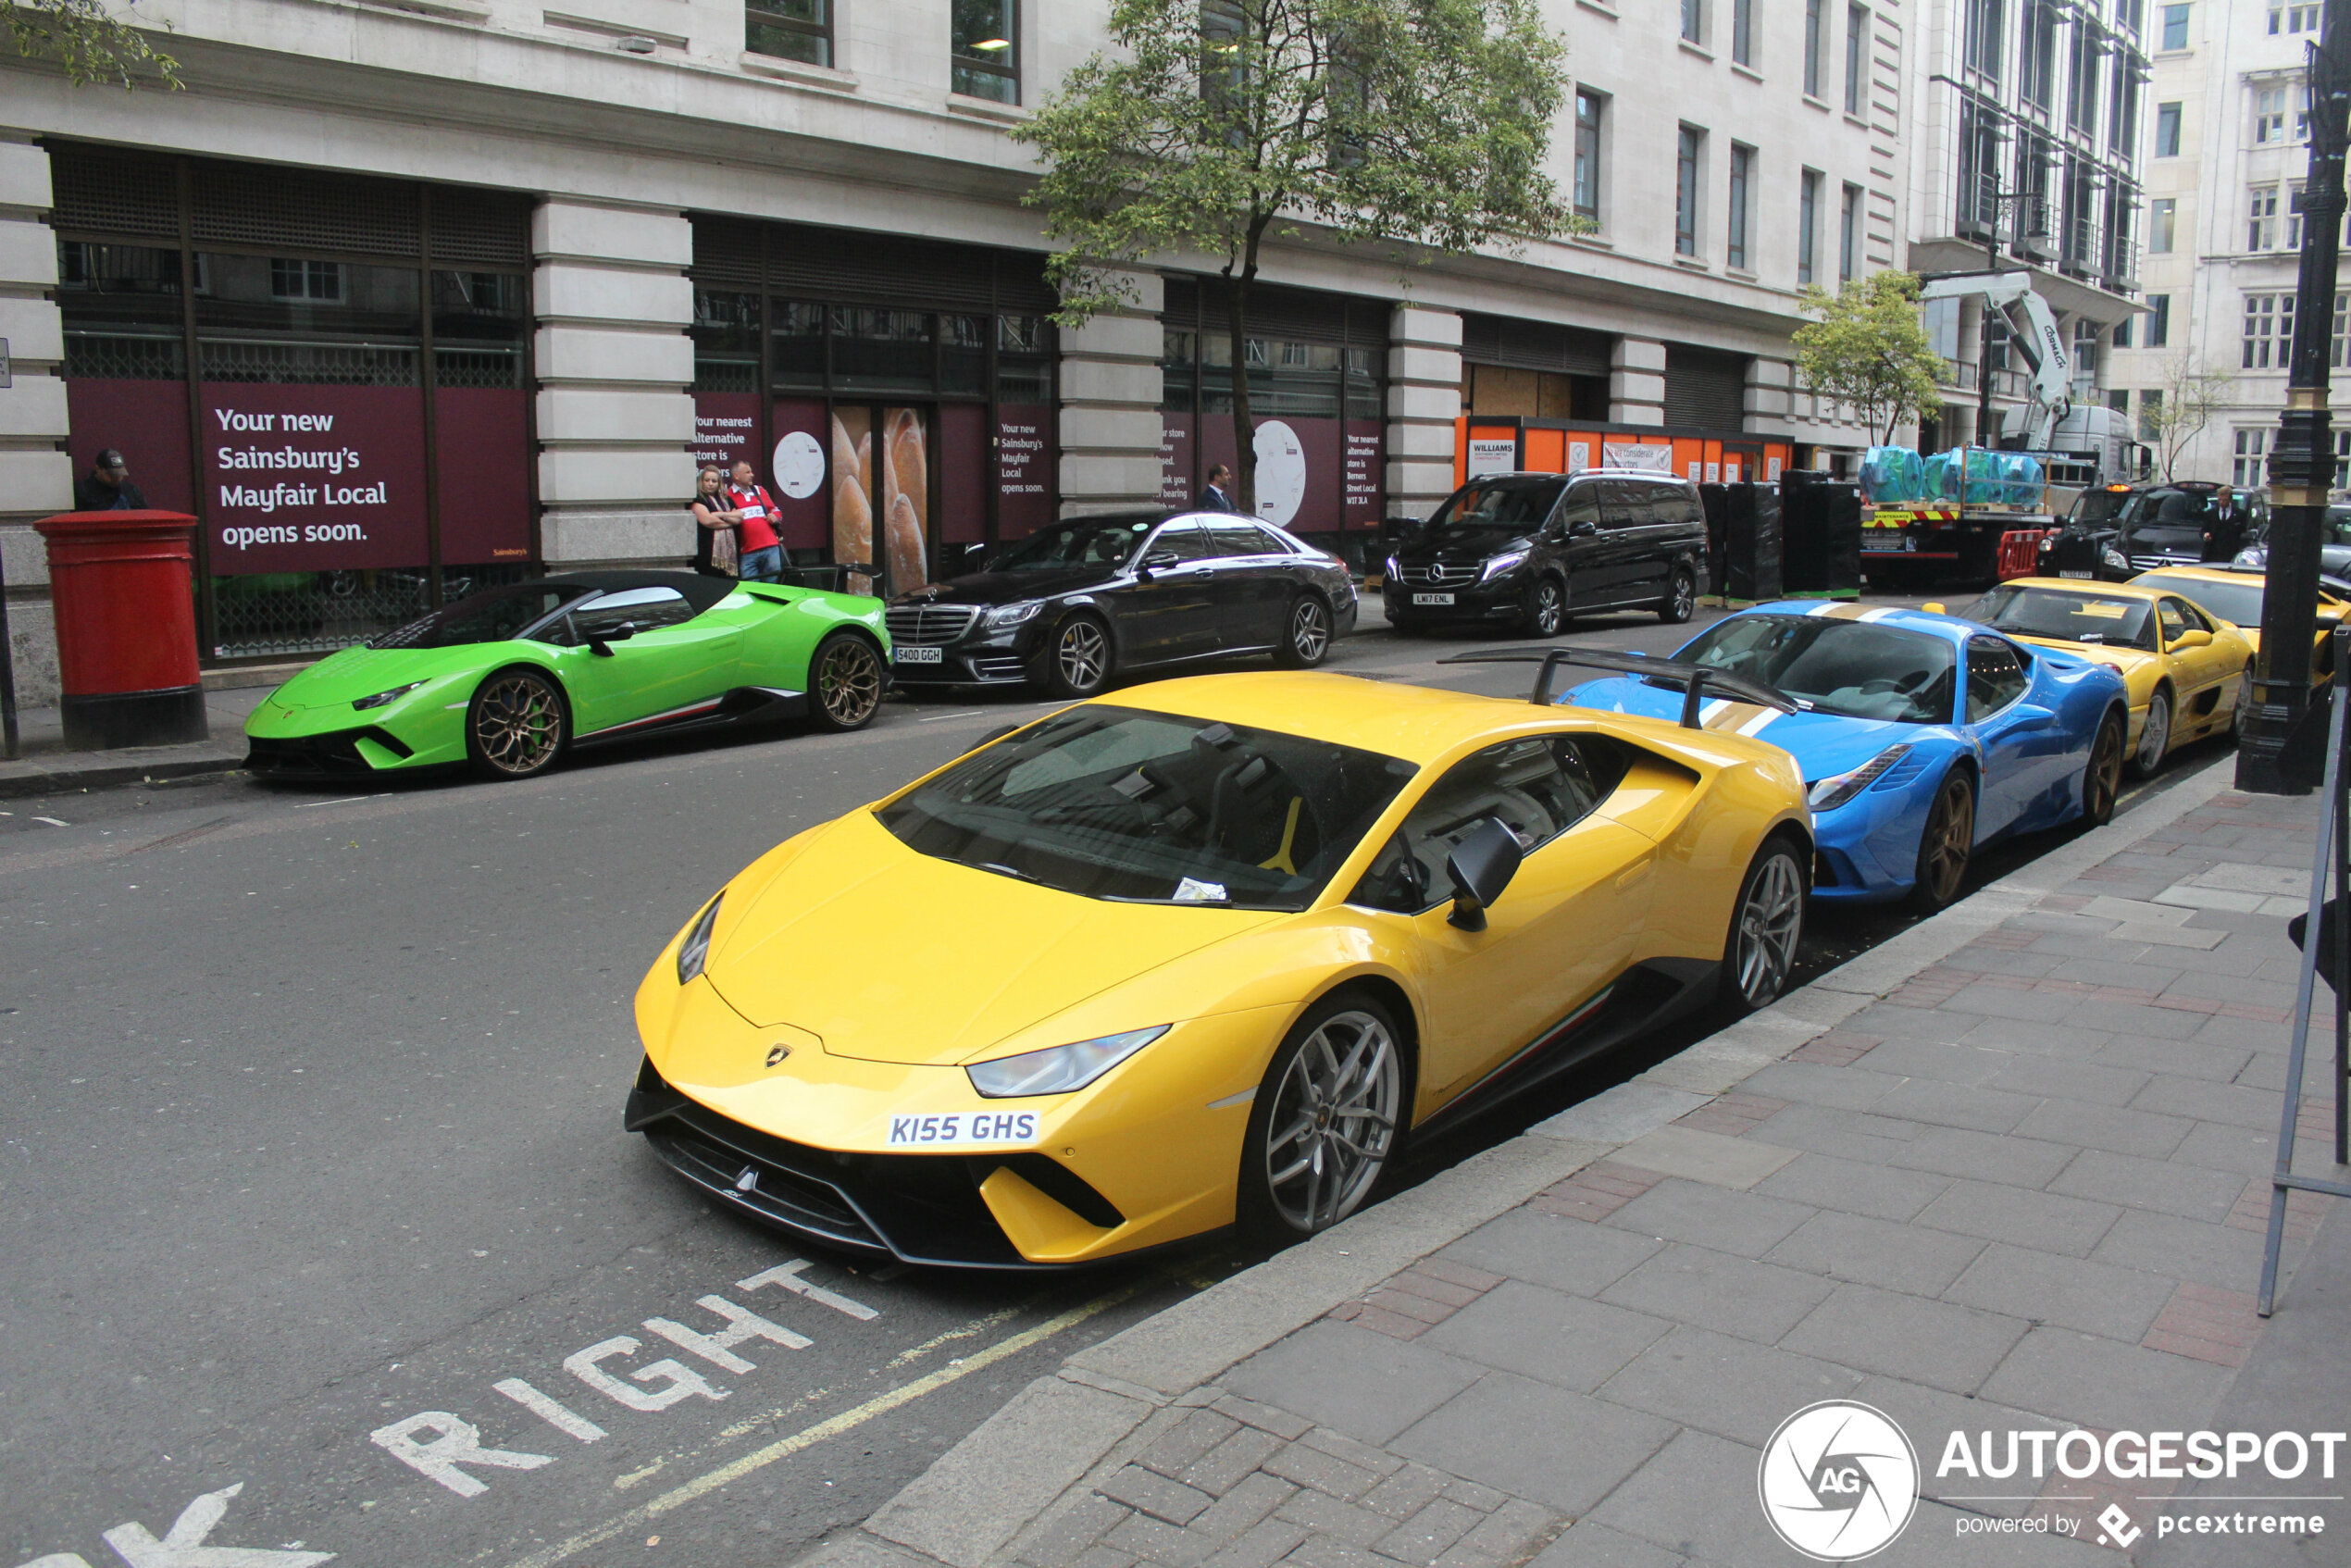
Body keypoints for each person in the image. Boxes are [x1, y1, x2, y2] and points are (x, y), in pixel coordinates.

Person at [726, 459, 786, 583]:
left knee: (773, 587)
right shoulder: (728, 495)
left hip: (770, 546)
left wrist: (775, 516)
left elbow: (775, 510)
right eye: (747, 472)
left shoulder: (759, 490)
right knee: (751, 589)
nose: (752, 475)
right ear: (736, 476)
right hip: (746, 551)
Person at [688, 467, 743, 578]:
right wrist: (730, 521)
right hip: (707, 554)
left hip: (730, 555)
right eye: (707, 480)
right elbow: (709, 521)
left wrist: (721, 514)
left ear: (719, 483)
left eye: (714, 481)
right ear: (701, 482)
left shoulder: (727, 500)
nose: (710, 484)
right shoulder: (698, 500)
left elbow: (739, 517)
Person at [74, 449, 148, 512]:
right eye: (111, 475)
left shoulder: (131, 491)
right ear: (98, 469)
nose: (117, 478)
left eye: (120, 474)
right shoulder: (83, 491)